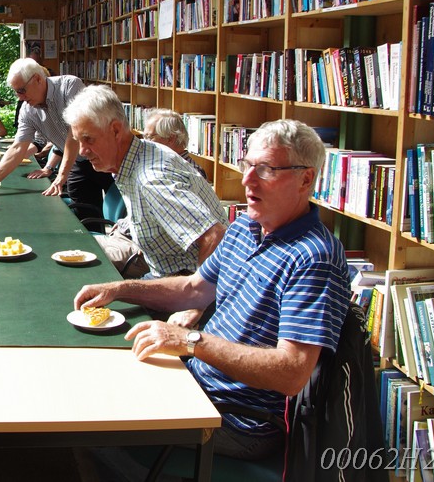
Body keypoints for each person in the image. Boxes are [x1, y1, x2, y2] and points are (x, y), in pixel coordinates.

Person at [74, 119, 350, 468]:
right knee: (90, 384)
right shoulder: (246, 226)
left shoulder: (314, 258)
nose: (247, 180)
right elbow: (193, 289)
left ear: (305, 179)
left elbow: (291, 372)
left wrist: (190, 341)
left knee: (95, 421)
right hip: (198, 381)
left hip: (239, 419)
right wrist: (119, 289)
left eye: (266, 170)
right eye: (247, 165)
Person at [63, 86, 227, 327]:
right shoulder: (138, 155)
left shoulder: (151, 179)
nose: (82, 151)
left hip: (197, 298)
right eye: (79, 141)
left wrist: (195, 304)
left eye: (89, 139)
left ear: (116, 130)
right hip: (164, 277)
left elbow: (215, 236)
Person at [0, 58, 112, 220]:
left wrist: (61, 175)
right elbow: (18, 148)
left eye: (21, 90)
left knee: (125, 209)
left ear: (37, 79)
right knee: (86, 219)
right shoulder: (27, 110)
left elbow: (75, 134)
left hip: (106, 155)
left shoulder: (70, 86)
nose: (19, 97)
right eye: (16, 92)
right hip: (78, 163)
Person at [143, 108, 209, 179]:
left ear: (170, 138)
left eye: (149, 137)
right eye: (144, 137)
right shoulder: (158, 161)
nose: (145, 142)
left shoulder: (192, 173)